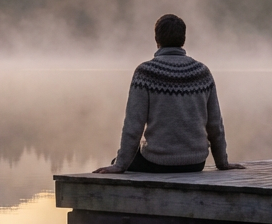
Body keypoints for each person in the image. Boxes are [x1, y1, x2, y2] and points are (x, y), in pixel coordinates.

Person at [94, 13, 244, 175]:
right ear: (183, 39)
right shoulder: (202, 72)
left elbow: (134, 124)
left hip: (157, 161)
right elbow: (215, 125)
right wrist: (222, 162)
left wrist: (120, 165)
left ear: (156, 39)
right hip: (195, 162)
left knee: (116, 162)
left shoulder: (146, 72)